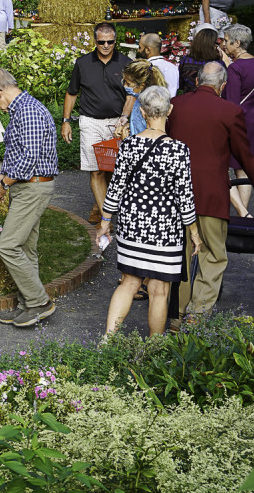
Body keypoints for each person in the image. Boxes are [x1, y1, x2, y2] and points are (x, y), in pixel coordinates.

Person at [167, 62, 254, 318]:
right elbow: (243, 152)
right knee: (213, 253)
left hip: (176, 191)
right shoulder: (229, 110)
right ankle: (197, 312)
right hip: (212, 192)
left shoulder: (176, 104)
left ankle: (175, 314)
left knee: (180, 256)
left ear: (196, 81)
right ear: (223, 86)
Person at [98, 85, 197, 336]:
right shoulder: (178, 149)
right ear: (170, 110)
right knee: (159, 290)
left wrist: (105, 220)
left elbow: (116, 188)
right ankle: (154, 348)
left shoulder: (129, 145)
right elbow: (185, 197)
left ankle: (107, 342)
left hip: (133, 227)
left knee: (128, 283)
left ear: (141, 112)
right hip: (165, 231)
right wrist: (194, 232)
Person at [0, 67, 58, 327]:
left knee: (8, 246)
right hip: (27, 185)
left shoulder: (27, 111)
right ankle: (28, 304)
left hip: (33, 186)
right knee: (26, 247)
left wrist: (3, 182)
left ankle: (40, 302)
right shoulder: (21, 110)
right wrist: (2, 178)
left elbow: (28, 159)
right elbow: (17, 154)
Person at [61, 22, 133, 224]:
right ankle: (105, 218)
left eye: (110, 42)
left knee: (113, 170)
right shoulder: (83, 63)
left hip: (117, 123)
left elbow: (132, 94)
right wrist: (66, 121)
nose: (106, 46)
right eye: (102, 42)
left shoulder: (126, 63)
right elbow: (71, 92)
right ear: (95, 41)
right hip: (90, 121)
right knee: (96, 169)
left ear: (115, 40)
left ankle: (98, 206)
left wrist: (124, 118)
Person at [219, 24, 254, 218]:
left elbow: (231, 102)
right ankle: (244, 213)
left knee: (222, 165)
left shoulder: (235, 69)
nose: (223, 44)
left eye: (225, 40)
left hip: (237, 121)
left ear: (237, 43)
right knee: (245, 166)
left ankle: (242, 212)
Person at [118, 60, 167, 138]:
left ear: (142, 85)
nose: (125, 86)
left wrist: (126, 140)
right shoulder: (139, 100)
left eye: (128, 84)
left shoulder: (149, 105)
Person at [178, 25, 220, 92]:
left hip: (189, 98)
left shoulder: (186, 60)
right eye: (216, 43)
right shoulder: (218, 62)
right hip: (212, 98)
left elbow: (180, 84)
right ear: (211, 45)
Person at [138, 33, 179, 97]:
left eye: (140, 47)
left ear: (148, 50)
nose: (138, 50)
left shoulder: (144, 68)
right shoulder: (173, 68)